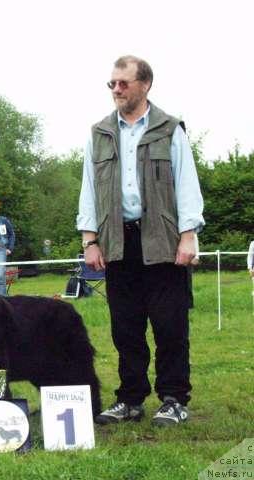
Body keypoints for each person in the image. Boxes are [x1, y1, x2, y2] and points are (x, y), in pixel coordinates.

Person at [76, 55, 204, 427]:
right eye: (112, 83)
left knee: (170, 326)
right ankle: (130, 398)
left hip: (163, 241)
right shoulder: (99, 133)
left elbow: (186, 183)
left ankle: (174, 397)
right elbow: (89, 188)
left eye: (123, 83)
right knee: (126, 327)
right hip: (118, 242)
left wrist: (188, 235)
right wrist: (90, 239)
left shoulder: (169, 128)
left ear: (145, 85)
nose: (116, 89)